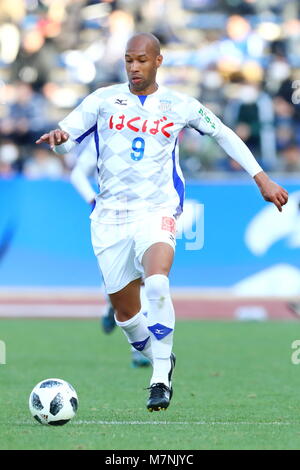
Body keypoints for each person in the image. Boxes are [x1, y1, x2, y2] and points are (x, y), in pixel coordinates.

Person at [36, 33, 288, 412]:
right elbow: (67, 140)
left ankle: (159, 377)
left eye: (141, 60)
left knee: (156, 281)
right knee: (125, 313)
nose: (134, 67)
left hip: (157, 210)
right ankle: (159, 355)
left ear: (158, 61)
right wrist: (58, 140)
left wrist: (261, 178)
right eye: (128, 60)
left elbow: (223, 133)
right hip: (109, 217)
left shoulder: (179, 105)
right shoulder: (102, 100)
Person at [69, 135, 150, 367]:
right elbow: (77, 174)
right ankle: (111, 305)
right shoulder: (103, 138)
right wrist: (92, 200)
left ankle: (138, 350)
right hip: (110, 221)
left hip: (146, 217)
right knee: (116, 280)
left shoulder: (154, 132)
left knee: (146, 279)